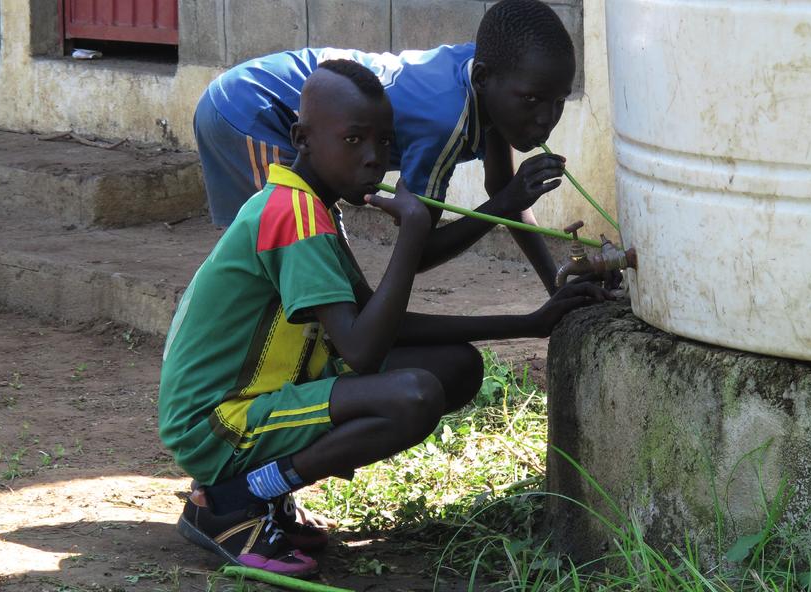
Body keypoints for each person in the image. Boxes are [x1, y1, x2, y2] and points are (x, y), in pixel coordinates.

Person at [160, 60, 609, 575]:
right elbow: (362, 348)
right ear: (301, 139)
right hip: (216, 423)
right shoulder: (293, 214)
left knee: (455, 368)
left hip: (263, 395)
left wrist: (527, 322)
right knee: (411, 397)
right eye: (354, 141)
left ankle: (263, 491)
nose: (375, 159)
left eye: (384, 142)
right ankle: (237, 500)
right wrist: (412, 236)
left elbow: (377, 322)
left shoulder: (312, 205)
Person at [194, 0, 576, 295]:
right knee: (294, 252)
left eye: (559, 101)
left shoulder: (486, 77)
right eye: (531, 100)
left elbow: (500, 187)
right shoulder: (445, 121)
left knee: (326, 271)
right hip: (251, 109)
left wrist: (556, 283)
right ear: (483, 79)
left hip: (255, 104)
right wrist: (503, 204)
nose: (547, 118)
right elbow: (419, 251)